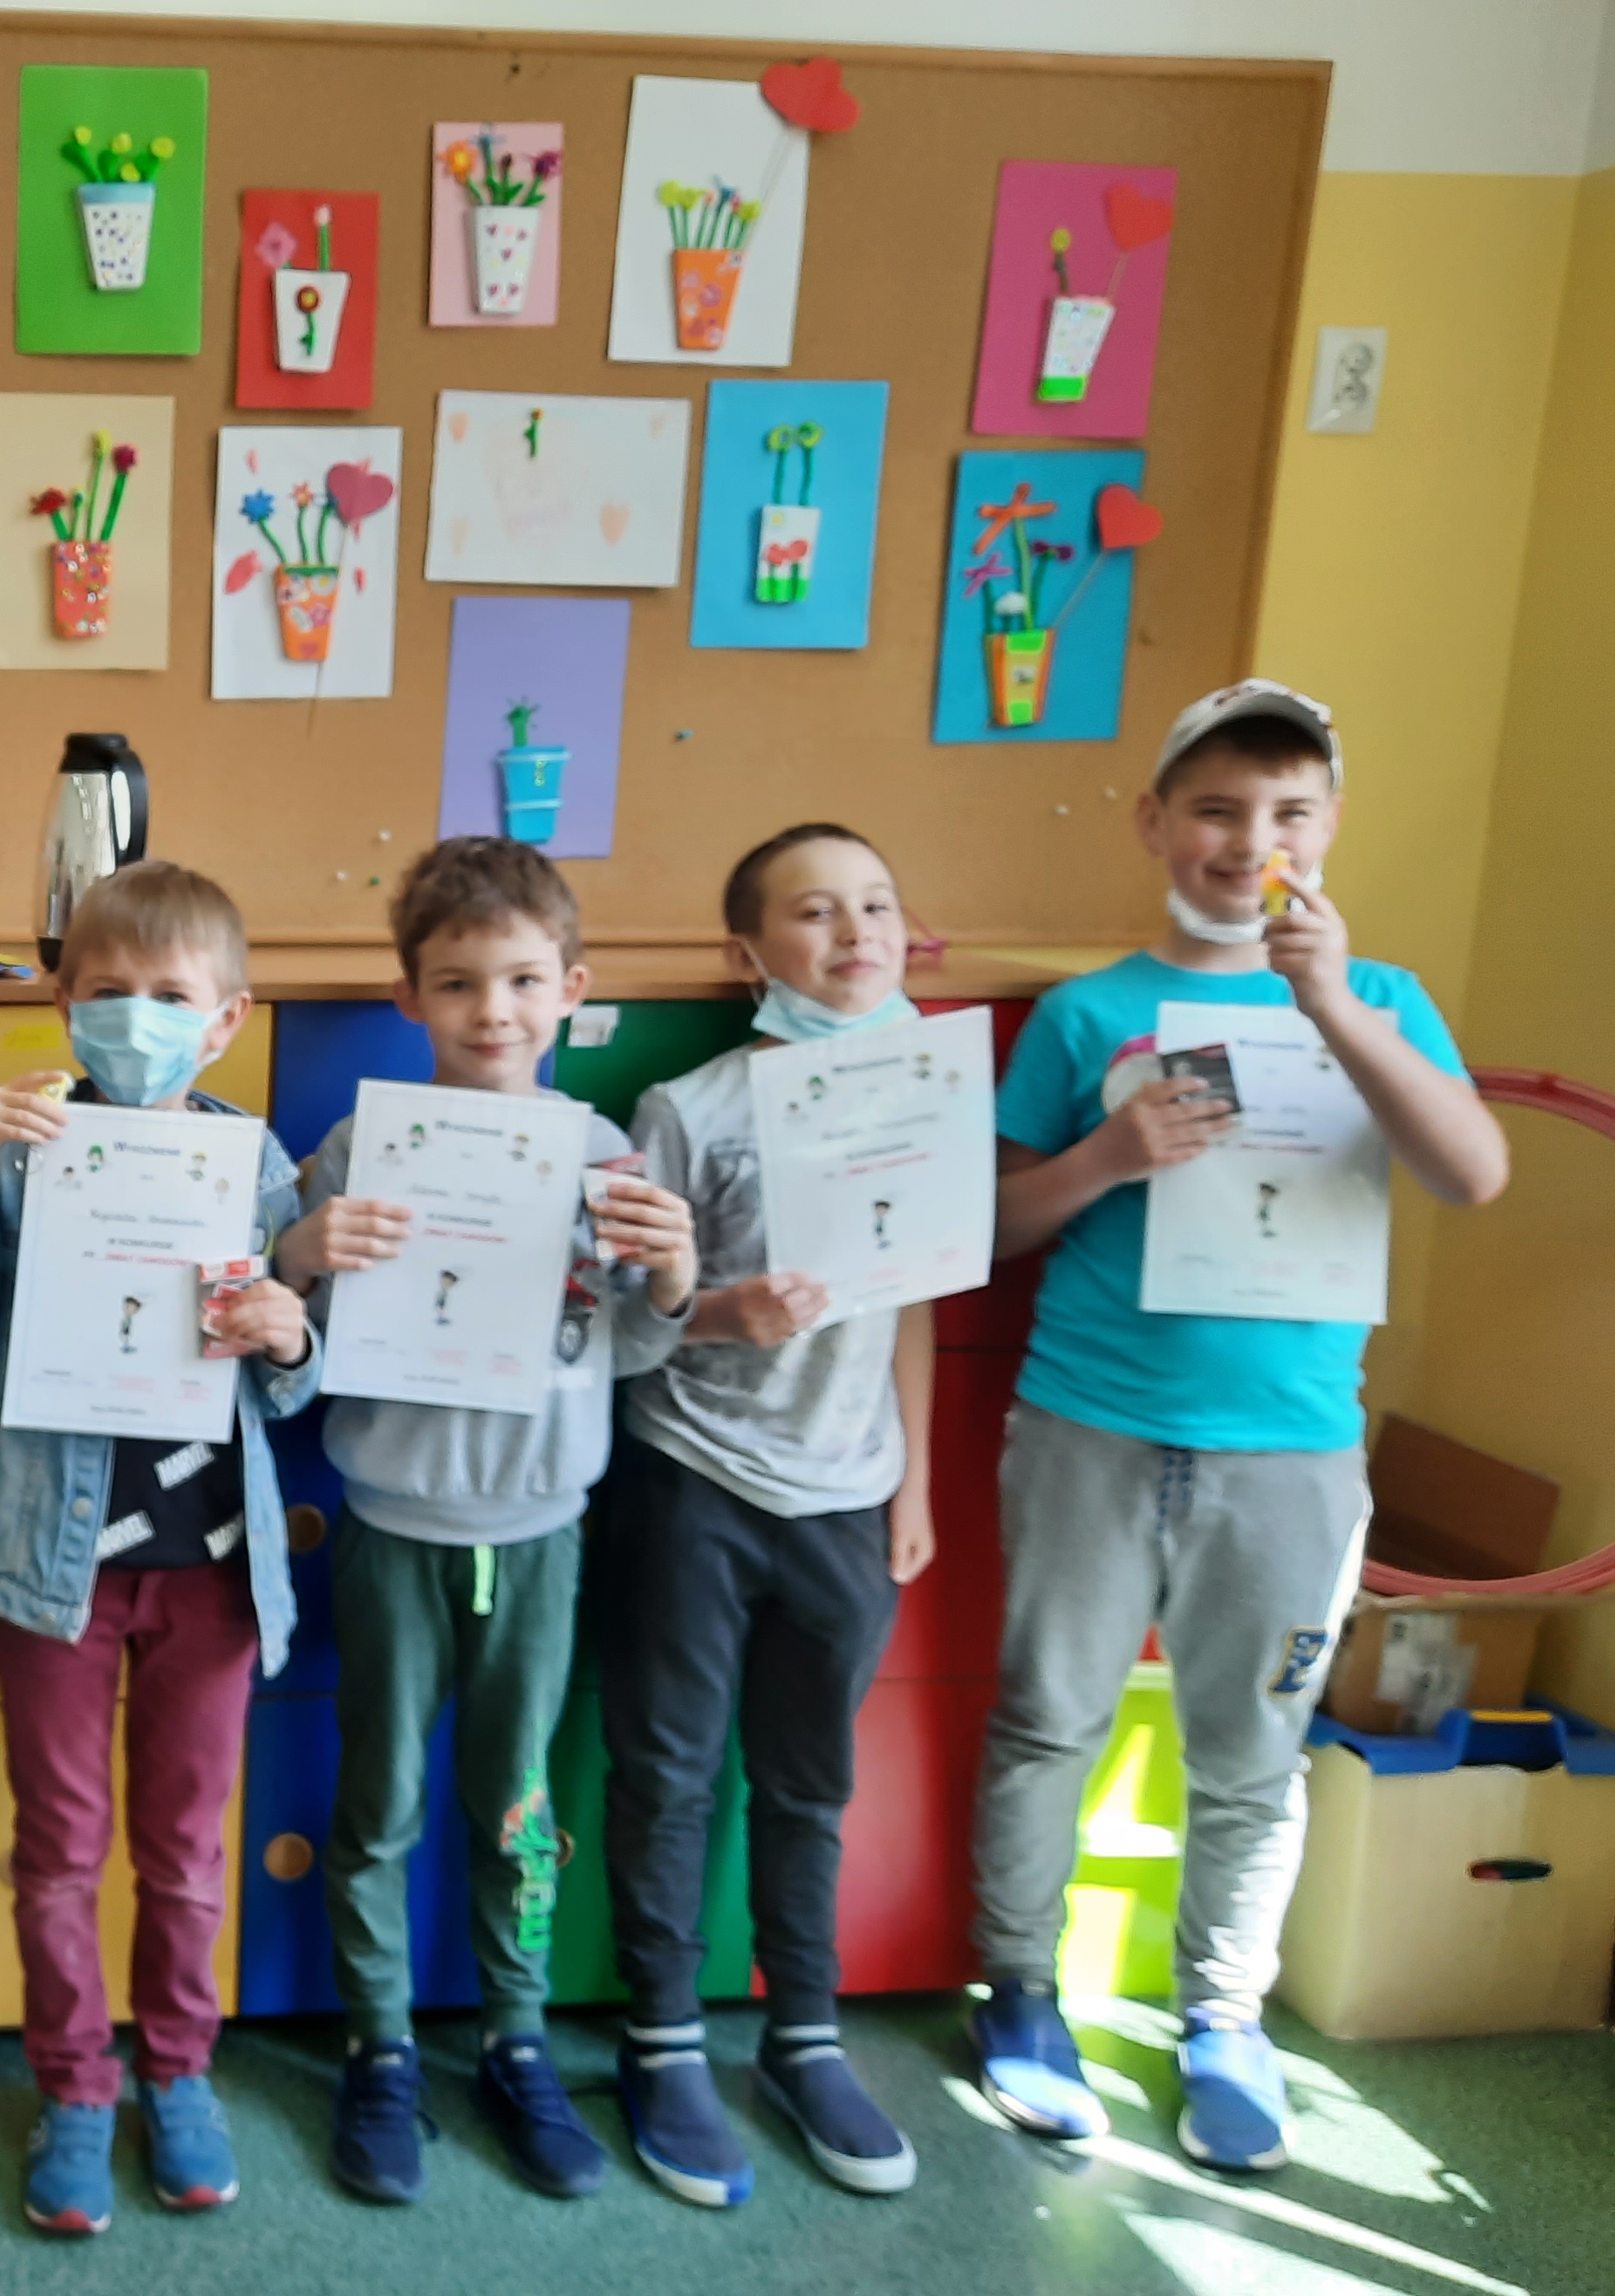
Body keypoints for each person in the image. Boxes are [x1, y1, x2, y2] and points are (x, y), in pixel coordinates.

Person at [966, 682, 1504, 2169]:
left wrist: (1332, 1007)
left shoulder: (1382, 998)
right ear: (1154, 823)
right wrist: (1107, 1156)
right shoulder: (1088, 1015)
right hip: (1090, 1425)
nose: (1249, 842)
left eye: (1287, 814)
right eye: (1214, 809)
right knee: (1046, 1721)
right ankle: (1018, 1995)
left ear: (1328, 829)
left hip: (1291, 1450)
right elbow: (987, 1227)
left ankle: (1223, 2018)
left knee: (1252, 1751)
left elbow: (1472, 1173)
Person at [0, 860, 320, 2235]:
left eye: (171, 997)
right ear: (65, 1002)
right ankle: (75, 2087)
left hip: (213, 1568)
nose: (139, 1018)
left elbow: (292, 1383)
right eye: (109, 991)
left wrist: (288, 1335)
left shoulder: (257, 1162)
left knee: (187, 1851)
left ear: (228, 1018)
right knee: (59, 1847)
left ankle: (179, 2074)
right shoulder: (16, 1148)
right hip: (51, 1565)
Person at [274, 838, 698, 2203]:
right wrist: (301, 1254)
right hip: (393, 1527)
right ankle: (381, 2046)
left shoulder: (606, 1157)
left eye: (521, 980)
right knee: (379, 1801)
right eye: (457, 983)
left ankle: (517, 2038)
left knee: (518, 1807)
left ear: (572, 987)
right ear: (410, 996)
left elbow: (638, 1350)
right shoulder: (361, 1149)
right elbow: (291, 1337)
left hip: (538, 1531)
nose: (492, 1011)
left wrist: (671, 1276)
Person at [595, 823, 939, 2208]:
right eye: (816, 912)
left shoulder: (924, 1099)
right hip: (695, 1481)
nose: (855, 934)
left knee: (810, 1781)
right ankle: (663, 2038)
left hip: (847, 1496)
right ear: (749, 954)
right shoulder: (691, 1107)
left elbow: (916, 1302)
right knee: (668, 1771)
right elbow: (618, 1315)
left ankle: (805, 2033)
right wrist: (717, 1314)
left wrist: (914, 1479)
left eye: (877, 905)